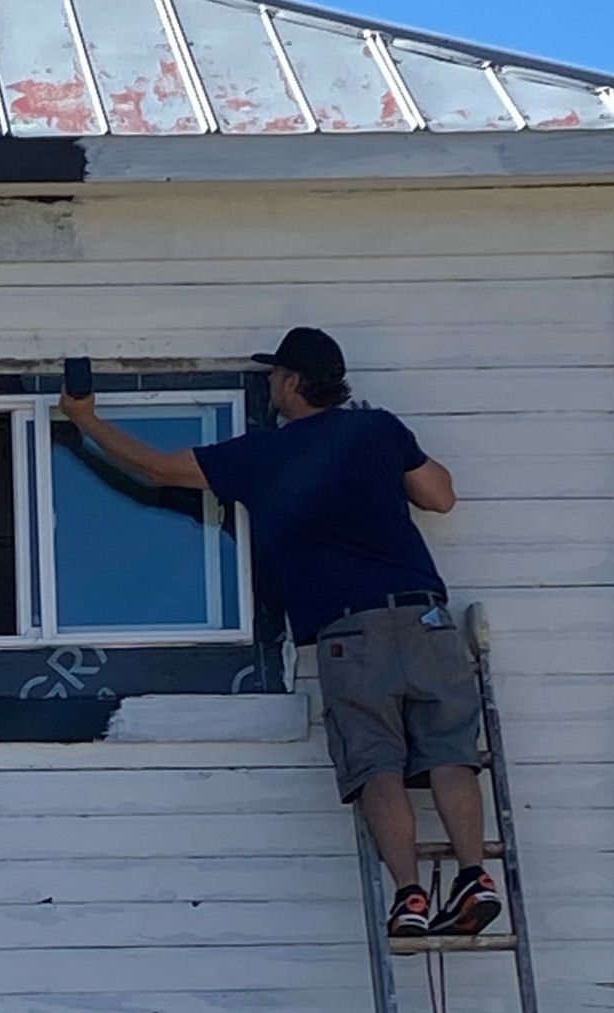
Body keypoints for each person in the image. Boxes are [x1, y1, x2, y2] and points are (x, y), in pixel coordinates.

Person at [59, 328, 502, 938]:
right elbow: (440, 496)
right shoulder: (376, 430)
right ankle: (475, 876)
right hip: (426, 618)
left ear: (293, 382)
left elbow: (157, 468)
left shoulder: (265, 454)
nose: (269, 385)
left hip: (352, 630)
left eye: (273, 375)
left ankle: (410, 898)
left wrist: (85, 419)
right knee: (451, 752)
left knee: (376, 764)